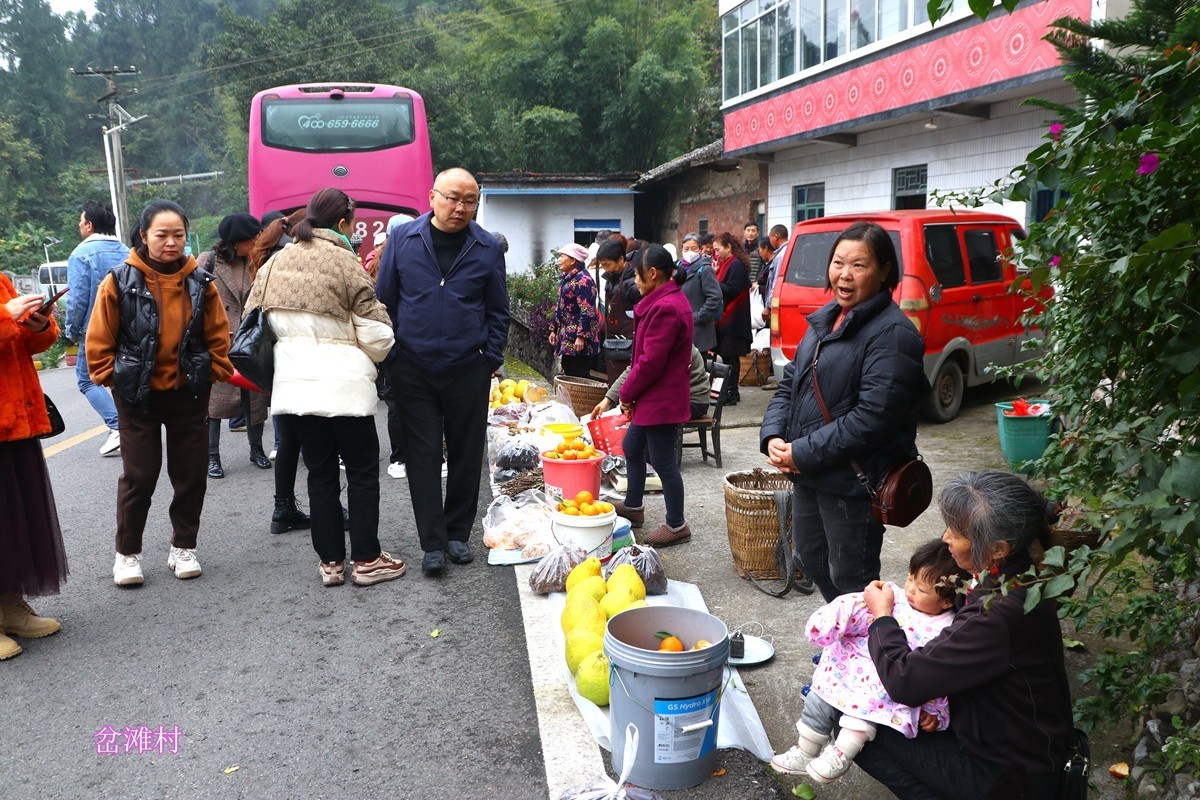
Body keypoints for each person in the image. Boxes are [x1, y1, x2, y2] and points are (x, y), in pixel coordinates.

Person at [855, 471, 1075, 799]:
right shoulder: (1020, 576)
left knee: (851, 718)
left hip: (1010, 777)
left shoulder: (999, 613)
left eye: (956, 533)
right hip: (1020, 747)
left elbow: (904, 681)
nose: (945, 538)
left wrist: (883, 617)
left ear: (998, 548)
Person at [760, 221, 928, 602]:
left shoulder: (894, 334)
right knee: (811, 558)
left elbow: (873, 418)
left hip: (854, 481)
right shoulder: (825, 320)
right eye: (838, 263)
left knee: (852, 576)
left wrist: (801, 452)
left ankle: (868, 650)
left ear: (885, 270)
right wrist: (773, 437)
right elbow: (791, 383)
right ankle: (842, 638)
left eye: (859, 265)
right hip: (810, 473)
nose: (845, 275)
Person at [247, 188, 406, 588]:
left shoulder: (276, 263)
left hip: (294, 389)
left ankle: (332, 563)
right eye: (352, 226)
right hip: (346, 388)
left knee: (319, 474)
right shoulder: (345, 263)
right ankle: (367, 560)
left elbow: (255, 324)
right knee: (362, 472)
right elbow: (377, 335)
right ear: (341, 224)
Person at [87, 199, 235, 586]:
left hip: (188, 392)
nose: (171, 242)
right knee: (139, 476)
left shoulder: (200, 282)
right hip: (138, 396)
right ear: (143, 236)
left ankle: (183, 546)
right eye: (162, 235)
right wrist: (113, 379)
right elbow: (99, 339)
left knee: (191, 475)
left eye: (178, 235)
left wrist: (214, 369)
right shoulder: (119, 280)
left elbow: (218, 335)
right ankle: (127, 554)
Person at [375, 167, 509, 576]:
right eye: (452, 198)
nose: (461, 207)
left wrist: (489, 357)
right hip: (413, 368)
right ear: (432, 197)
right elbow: (385, 302)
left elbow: (497, 310)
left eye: (470, 200)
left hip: (468, 367)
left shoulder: (486, 247)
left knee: (467, 454)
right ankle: (432, 543)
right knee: (423, 454)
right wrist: (393, 356)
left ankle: (456, 534)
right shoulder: (403, 239)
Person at [770, 539, 971, 784]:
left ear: (947, 601)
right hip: (853, 669)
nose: (909, 589)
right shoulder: (892, 597)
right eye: (909, 579)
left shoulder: (945, 630)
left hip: (886, 687)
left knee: (863, 718)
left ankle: (840, 754)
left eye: (921, 590)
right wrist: (832, 618)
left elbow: (936, 677)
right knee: (819, 696)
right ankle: (805, 750)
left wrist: (935, 712)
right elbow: (855, 607)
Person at [0, 275, 68, 660]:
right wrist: (6, 317)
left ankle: (10, 606)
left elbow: (30, 342)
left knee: (15, 517)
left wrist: (39, 324)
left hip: (16, 416)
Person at [610, 245, 694, 547]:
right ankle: (634, 507)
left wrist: (627, 393)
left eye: (637, 274)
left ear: (653, 274)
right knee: (632, 446)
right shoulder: (662, 301)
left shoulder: (668, 307)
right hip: (654, 394)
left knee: (662, 461)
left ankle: (676, 524)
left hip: (662, 397)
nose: (634, 280)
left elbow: (650, 362)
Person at [199, 213, 271, 479]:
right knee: (215, 405)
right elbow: (193, 299)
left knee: (254, 400)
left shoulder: (254, 262)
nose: (256, 241)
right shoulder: (208, 261)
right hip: (218, 340)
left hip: (248, 341)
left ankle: (257, 450)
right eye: (251, 238)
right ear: (236, 241)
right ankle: (212, 457)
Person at [64, 200, 127, 457]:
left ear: (89, 225)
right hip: (128, 328)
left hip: (95, 329)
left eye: (81, 223)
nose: (80, 227)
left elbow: (77, 299)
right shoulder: (127, 251)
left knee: (87, 380)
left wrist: (72, 330)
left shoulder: (80, 254)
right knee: (120, 378)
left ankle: (117, 426)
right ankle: (132, 427)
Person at [593, 344, 710, 423]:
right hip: (675, 398)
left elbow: (652, 376)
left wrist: (629, 399)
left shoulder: (669, 342)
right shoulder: (654, 341)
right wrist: (608, 399)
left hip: (693, 401)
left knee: (647, 411)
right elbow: (634, 369)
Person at [711, 232, 753, 405]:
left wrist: (713, 281)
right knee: (729, 357)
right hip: (728, 319)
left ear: (728, 247)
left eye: (718, 249)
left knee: (731, 357)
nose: (716, 254)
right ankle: (730, 391)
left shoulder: (735, 264)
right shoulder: (727, 263)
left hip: (734, 319)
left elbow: (733, 289)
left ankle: (732, 392)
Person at [549, 242, 601, 379]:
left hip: (578, 340)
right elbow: (560, 306)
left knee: (579, 374)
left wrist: (581, 336)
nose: (559, 260)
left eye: (562, 256)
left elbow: (587, 310)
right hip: (567, 336)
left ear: (573, 260)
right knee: (568, 371)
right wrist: (554, 329)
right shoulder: (567, 278)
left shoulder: (583, 280)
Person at [595, 238, 640, 383]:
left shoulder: (634, 283)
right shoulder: (610, 280)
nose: (605, 269)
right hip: (613, 343)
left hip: (630, 344)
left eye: (607, 264)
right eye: (602, 265)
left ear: (621, 259)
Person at [676, 233, 723, 355]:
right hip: (680, 326)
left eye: (694, 248)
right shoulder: (678, 268)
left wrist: (698, 316)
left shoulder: (705, 269)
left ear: (700, 250)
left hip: (699, 330)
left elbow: (715, 297)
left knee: (697, 369)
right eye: (686, 249)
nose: (689, 252)